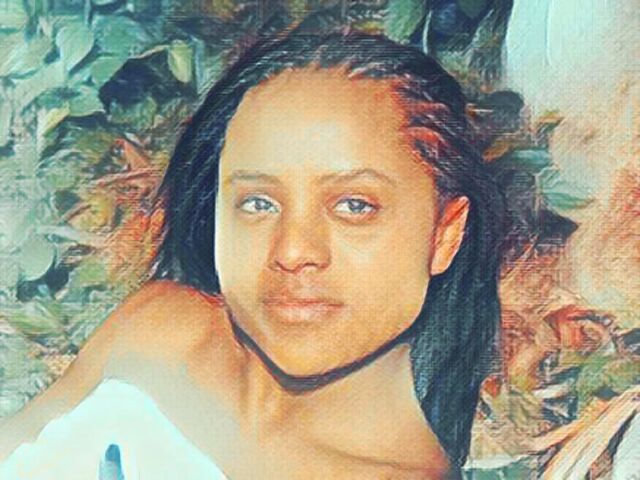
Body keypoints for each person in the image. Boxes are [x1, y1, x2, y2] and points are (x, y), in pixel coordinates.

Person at [0, 28, 505, 479]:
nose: (293, 250)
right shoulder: (160, 330)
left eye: (354, 206)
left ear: (444, 234)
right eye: (258, 203)